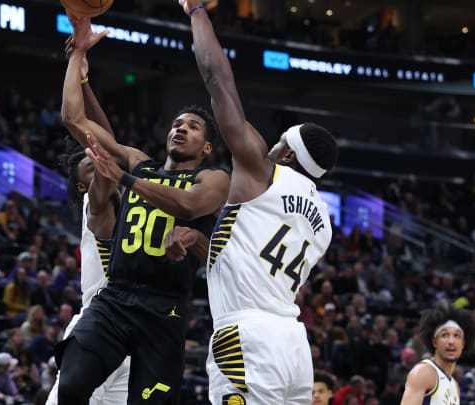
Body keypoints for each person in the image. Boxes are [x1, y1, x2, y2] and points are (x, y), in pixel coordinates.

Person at [57, 15, 229, 405]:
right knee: (70, 386)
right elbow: (73, 117)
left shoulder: (213, 178)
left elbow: (188, 205)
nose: (180, 129)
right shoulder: (140, 162)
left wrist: (124, 179)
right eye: (177, 124)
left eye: (193, 127)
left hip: (164, 309)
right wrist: (79, 54)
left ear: (205, 148)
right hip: (116, 298)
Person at [175, 1, 338, 403]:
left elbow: (218, 80)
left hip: (247, 337)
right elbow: (247, 257)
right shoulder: (325, 224)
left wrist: (196, 10)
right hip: (294, 347)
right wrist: (198, 244)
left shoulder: (260, 173)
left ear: (287, 154)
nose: (270, 145)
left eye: (279, 142)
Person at [400, 305, 475, 405]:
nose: (451, 341)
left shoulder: (455, 385)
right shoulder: (423, 372)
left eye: (457, 336)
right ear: (434, 342)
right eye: (444, 335)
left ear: (463, 344)